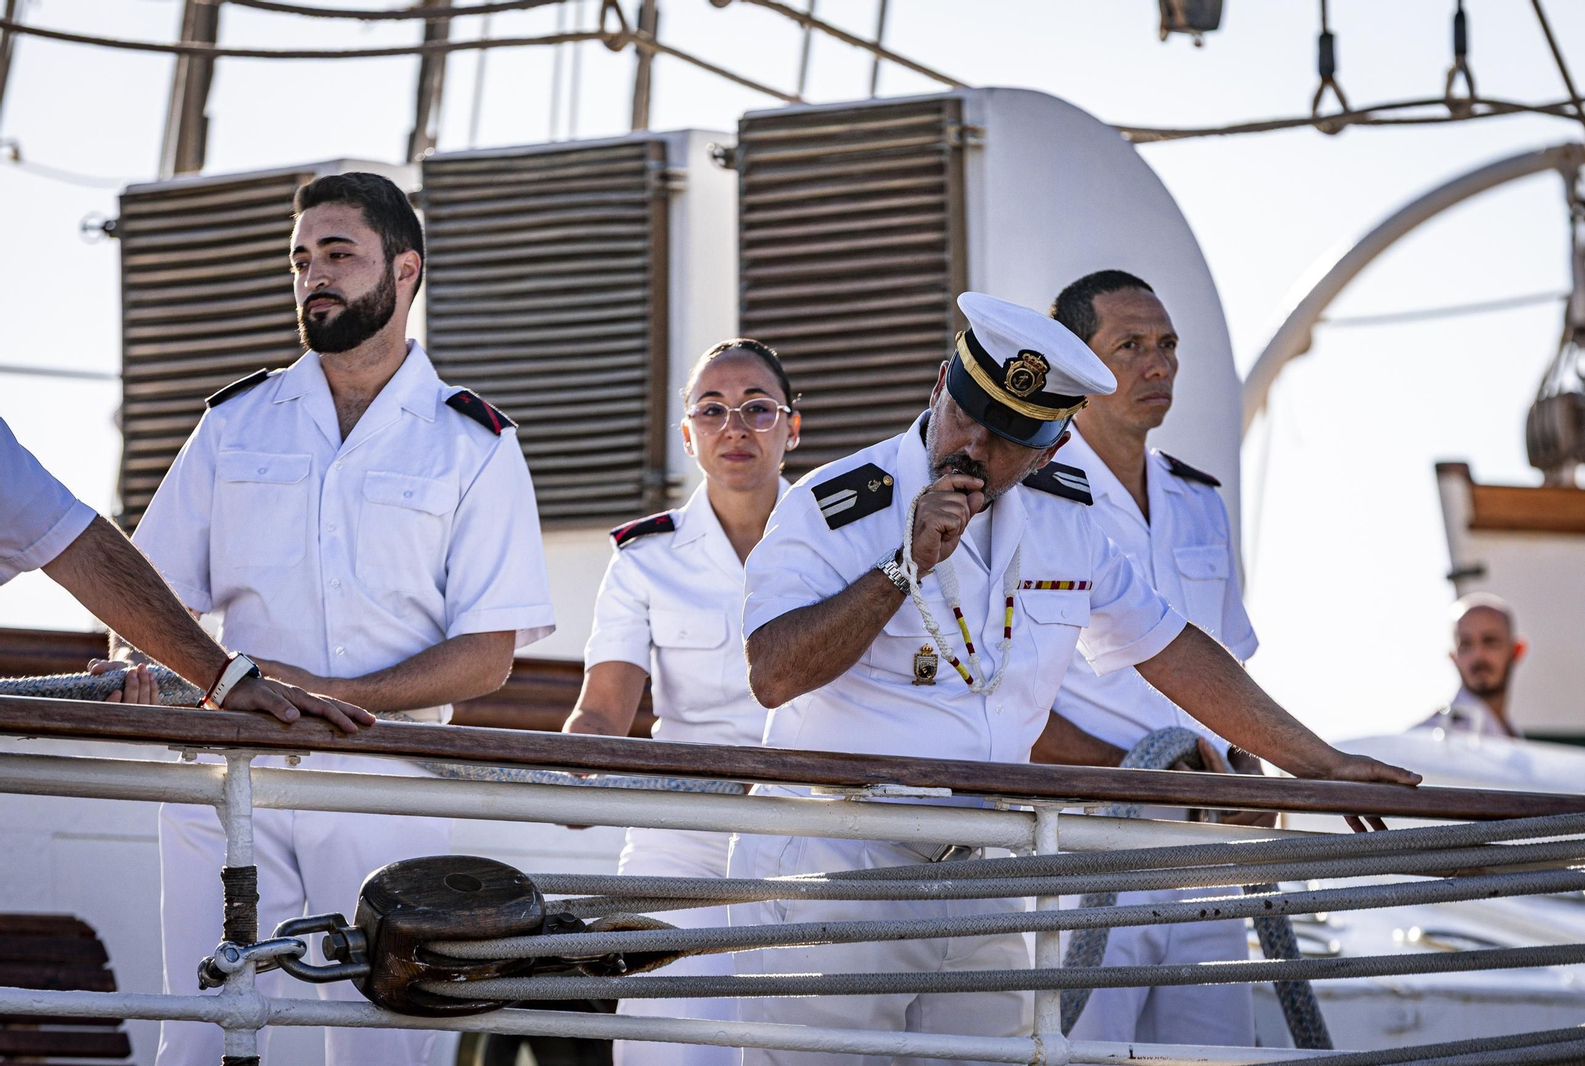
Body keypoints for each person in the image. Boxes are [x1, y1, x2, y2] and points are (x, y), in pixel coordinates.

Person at [732, 291, 1419, 1066]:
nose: (973, 448)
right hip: (840, 862)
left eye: (1006, 439)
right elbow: (773, 673)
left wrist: (1320, 764)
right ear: (939, 385)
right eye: (965, 416)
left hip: (985, 871)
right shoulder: (836, 507)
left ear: (1050, 449)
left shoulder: (1065, 520)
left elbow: (1170, 648)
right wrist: (902, 566)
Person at [106, 172, 557, 1066]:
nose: (314, 275)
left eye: (339, 254)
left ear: (405, 270)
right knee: (200, 1034)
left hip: (385, 779)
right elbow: (146, 593)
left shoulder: (474, 443)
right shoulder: (235, 423)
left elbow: (488, 653)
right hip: (227, 770)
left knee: (381, 1047)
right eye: (301, 259)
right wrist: (135, 663)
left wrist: (335, 695)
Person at [1032, 269, 1264, 1047]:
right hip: (1082, 849)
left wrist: (1249, 770)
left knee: (1218, 1058)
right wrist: (1128, 774)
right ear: (1075, 364)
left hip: (1203, 850)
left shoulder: (1201, 501)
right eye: (1129, 346)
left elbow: (1226, 667)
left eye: (1167, 345)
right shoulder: (1028, 500)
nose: (1157, 364)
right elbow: (1001, 696)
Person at [564, 337, 800, 1066]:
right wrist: (571, 768)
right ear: (688, 436)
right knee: (664, 1042)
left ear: (792, 427)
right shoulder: (645, 556)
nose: (736, 427)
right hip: (683, 826)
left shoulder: (838, 539)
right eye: (712, 410)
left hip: (810, 822)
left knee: (808, 1039)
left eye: (757, 408)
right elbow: (604, 710)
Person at [0, 415, 368, 726]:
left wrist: (240, 681)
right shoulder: (232, 419)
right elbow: (85, 549)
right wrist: (138, 667)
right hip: (250, 755)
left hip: (386, 768)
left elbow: (77, 543)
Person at [1416, 593, 1525, 738]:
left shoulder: (1512, 734)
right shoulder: (1429, 736)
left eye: (1490, 642)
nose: (1478, 655)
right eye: (1465, 644)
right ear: (1454, 658)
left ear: (1517, 651)